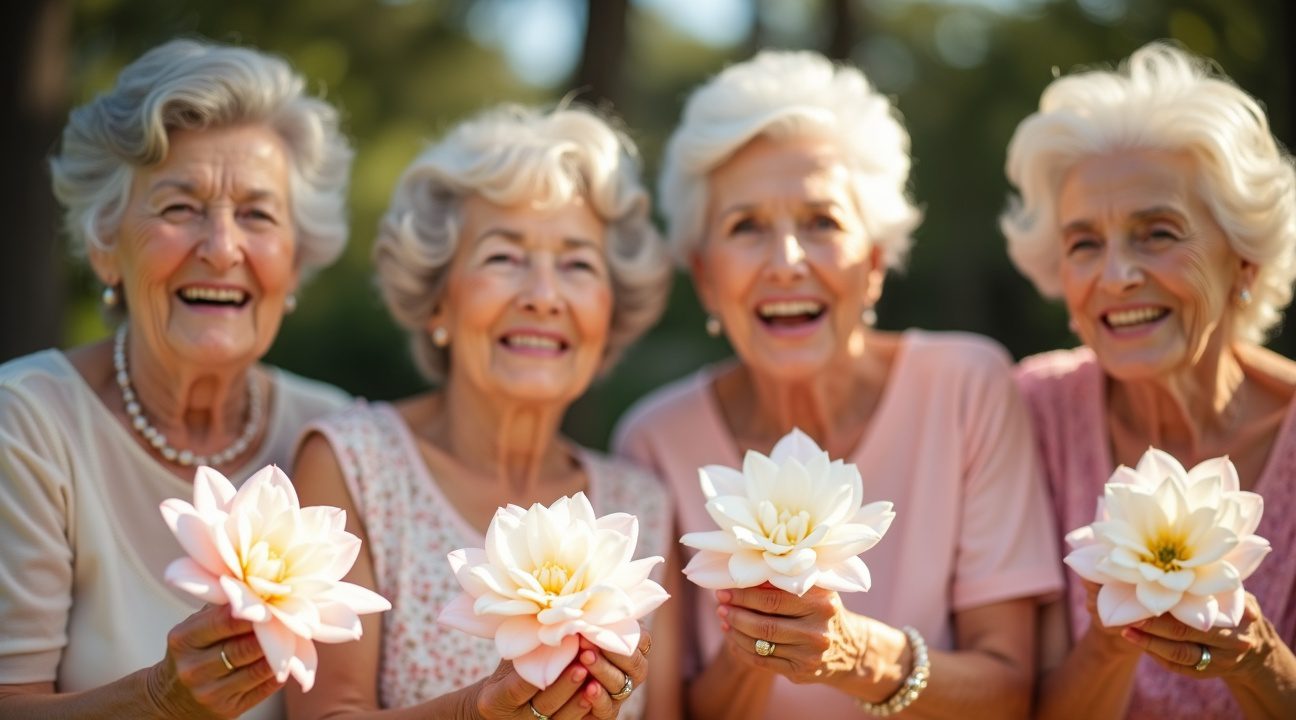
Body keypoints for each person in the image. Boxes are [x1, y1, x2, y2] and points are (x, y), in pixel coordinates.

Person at [612, 49, 1062, 720]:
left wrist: (856, 655)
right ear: (705, 276)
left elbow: (1010, 691)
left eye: (821, 222)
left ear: (875, 262)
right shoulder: (655, 443)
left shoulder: (968, 389)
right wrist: (760, 640)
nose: (787, 261)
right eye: (747, 227)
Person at [285, 104, 679, 720]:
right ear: (437, 300)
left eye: (577, 264)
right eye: (503, 257)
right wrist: (478, 713)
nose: (544, 296)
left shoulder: (641, 506)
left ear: (611, 314)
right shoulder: (353, 465)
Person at [0, 39, 354, 719]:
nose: (222, 248)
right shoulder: (30, 421)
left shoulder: (331, 434)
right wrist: (159, 701)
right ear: (106, 247)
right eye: (179, 207)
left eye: (257, 214)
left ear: (296, 259)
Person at [1004, 41, 1296, 719]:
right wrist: (1111, 641)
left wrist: (1257, 659)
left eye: (1158, 232)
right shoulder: (1032, 411)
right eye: (1084, 243)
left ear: (1245, 262)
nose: (1115, 277)